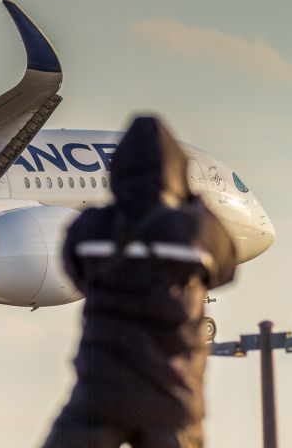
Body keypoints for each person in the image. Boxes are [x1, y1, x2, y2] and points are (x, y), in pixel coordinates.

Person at [42, 116, 236, 448]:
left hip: (100, 395)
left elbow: (75, 272)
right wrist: (190, 204)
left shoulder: (91, 227)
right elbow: (226, 267)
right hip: (171, 397)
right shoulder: (193, 232)